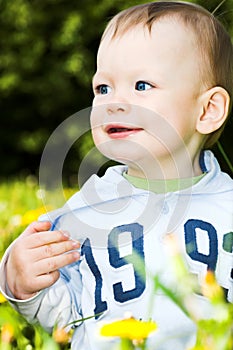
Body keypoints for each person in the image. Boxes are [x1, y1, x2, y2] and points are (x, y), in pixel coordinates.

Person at [0, 1, 233, 349]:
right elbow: (67, 316)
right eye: (102, 88)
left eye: (141, 85)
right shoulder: (84, 212)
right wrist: (22, 282)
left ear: (208, 110)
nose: (113, 102)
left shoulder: (228, 206)